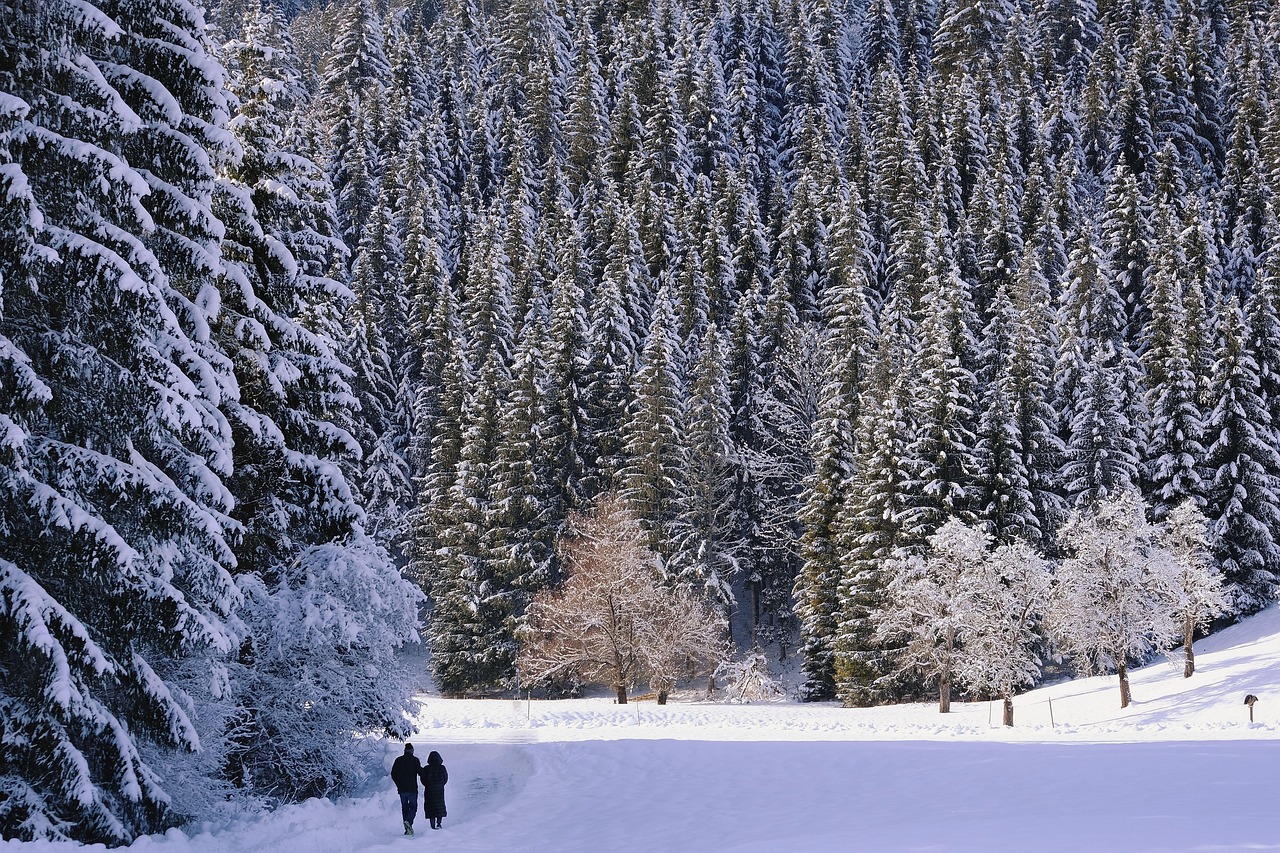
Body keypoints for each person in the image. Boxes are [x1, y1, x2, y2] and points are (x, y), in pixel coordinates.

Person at [390, 743, 422, 835]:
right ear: (412, 751)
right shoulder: (415, 760)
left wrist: (398, 784)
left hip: (402, 789)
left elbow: (393, 774)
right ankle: (409, 822)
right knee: (413, 807)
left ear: (404, 751)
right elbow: (420, 772)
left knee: (404, 808)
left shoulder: (398, 760)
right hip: (412, 789)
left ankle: (407, 828)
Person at [420, 750, 448, 830]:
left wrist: (428, 785)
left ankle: (432, 825)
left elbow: (423, 779)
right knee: (440, 806)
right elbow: (445, 778)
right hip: (439, 790)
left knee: (431, 807)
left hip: (429, 791)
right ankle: (439, 823)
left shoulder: (427, 768)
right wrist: (440, 785)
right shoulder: (442, 768)